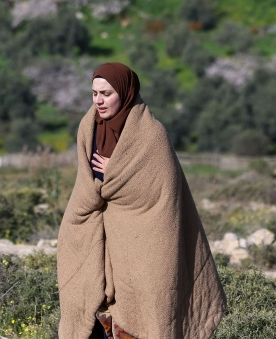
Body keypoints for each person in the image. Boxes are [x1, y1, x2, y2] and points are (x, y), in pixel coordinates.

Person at [57, 62, 226, 339]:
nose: (99, 100)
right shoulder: (89, 128)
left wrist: (115, 170)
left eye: (106, 93)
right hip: (96, 228)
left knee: (149, 311)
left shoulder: (151, 135)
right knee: (88, 304)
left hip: (144, 237)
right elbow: (85, 184)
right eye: (94, 93)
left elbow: (161, 192)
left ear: (125, 93)